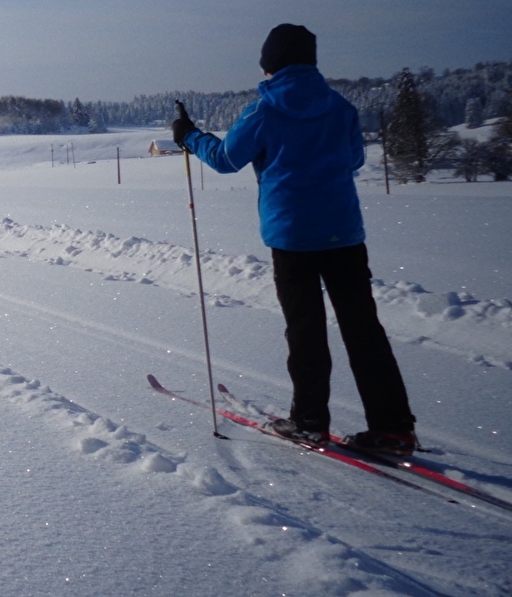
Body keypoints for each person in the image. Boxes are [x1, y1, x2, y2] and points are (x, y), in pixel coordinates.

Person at [172, 24, 417, 457]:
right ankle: (394, 428)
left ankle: (309, 422)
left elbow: (227, 159)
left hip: (292, 238)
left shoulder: (263, 111)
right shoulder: (341, 107)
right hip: (344, 233)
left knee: (306, 330)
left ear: (270, 62)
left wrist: (189, 136)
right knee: (364, 330)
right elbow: (356, 158)